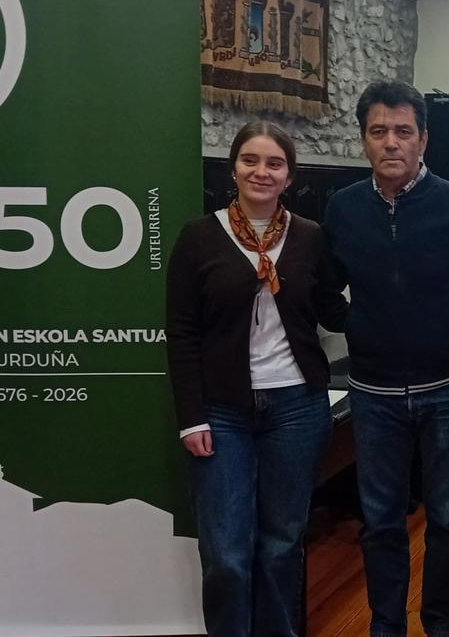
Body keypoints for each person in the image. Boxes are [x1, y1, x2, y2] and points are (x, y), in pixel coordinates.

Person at [323, 80, 449, 637]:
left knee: (447, 520)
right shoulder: (343, 209)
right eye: (379, 132)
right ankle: (386, 627)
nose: (391, 143)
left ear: (423, 139)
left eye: (403, 131)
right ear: (363, 142)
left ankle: (442, 626)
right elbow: (326, 290)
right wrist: (353, 322)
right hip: (373, 394)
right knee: (380, 523)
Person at [166, 121, 348, 636]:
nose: (261, 172)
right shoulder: (198, 238)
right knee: (225, 552)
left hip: (297, 407)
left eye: (274, 163)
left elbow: (334, 310)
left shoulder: (311, 237)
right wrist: (190, 417)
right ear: (233, 169)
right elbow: (179, 334)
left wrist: (400, 299)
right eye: (251, 160)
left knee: (283, 544)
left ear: (289, 175)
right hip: (221, 412)